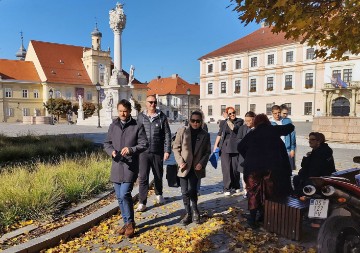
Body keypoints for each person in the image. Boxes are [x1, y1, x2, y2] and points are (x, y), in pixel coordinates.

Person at [238, 114, 294, 228]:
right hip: (270, 168)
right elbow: (290, 127)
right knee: (268, 192)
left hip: (252, 168)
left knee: (253, 193)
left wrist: (248, 156)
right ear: (267, 121)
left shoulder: (252, 133)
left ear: (256, 123)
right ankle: (266, 217)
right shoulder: (273, 130)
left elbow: (240, 147)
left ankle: (253, 220)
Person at [104, 99, 148, 238]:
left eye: (125, 111)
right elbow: (107, 143)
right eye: (120, 111)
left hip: (130, 165)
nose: (123, 113)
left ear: (130, 111)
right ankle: (126, 222)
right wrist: (111, 151)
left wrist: (131, 149)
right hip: (117, 165)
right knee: (119, 197)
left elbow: (144, 144)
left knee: (124, 194)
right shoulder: (113, 125)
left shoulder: (137, 126)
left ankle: (130, 223)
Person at [172, 111, 211, 225]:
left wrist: (201, 163)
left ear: (201, 122)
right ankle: (187, 213)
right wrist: (180, 161)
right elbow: (176, 148)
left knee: (193, 190)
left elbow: (207, 152)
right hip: (184, 167)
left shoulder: (205, 135)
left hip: (196, 167)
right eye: (193, 120)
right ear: (189, 120)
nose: (195, 123)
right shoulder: (182, 131)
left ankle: (195, 211)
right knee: (184, 192)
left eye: (198, 121)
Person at [136, 95, 172, 212]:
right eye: (150, 102)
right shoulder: (141, 117)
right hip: (143, 152)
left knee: (158, 174)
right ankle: (142, 202)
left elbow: (167, 134)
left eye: (155, 102)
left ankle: (159, 194)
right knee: (143, 177)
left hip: (157, 151)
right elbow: (136, 134)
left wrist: (167, 150)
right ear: (146, 103)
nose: (153, 104)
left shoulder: (162, 117)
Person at [213, 107, 244, 196]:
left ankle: (236, 185)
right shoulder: (223, 123)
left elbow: (234, 128)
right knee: (226, 168)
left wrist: (227, 119)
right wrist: (215, 145)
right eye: (230, 113)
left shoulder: (239, 121)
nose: (232, 114)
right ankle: (227, 187)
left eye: (233, 112)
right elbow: (219, 134)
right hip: (225, 147)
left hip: (235, 147)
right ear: (227, 114)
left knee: (235, 168)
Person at [270, 105, 297, 170]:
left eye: (279, 112)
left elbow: (292, 135)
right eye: (275, 113)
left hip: (287, 149)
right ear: (272, 113)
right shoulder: (269, 123)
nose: (277, 115)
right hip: (275, 150)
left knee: (287, 170)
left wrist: (292, 148)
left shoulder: (287, 121)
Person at [238, 111, 256, 196]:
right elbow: (238, 140)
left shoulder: (257, 129)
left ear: (254, 119)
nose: (247, 122)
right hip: (244, 155)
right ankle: (246, 191)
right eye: (246, 120)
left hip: (254, 156)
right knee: (244, 174)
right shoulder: (242, 128)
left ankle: (253, 190)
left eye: (249, 120)